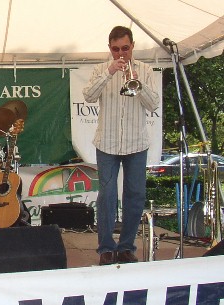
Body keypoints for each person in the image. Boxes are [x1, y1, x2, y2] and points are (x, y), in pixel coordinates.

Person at [82, 26, 159, 265]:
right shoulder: (100, 69)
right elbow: (89, 96)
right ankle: (106, 248)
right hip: (108, 142)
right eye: (116, 49)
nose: (121, 54)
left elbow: (154, 104)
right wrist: (109, 72)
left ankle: (126, 247)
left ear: (132, 46)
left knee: (135, 195)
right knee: (107, 195)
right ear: (110, 49)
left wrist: (137, 82)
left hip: (136, 143)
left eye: (125, 48)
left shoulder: (144, 70)